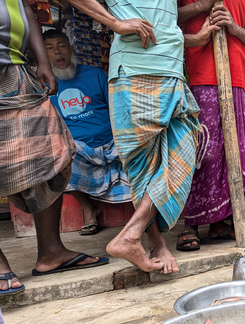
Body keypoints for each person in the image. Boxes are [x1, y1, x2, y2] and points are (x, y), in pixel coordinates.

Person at [66, 0, 201, 273]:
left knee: (183, 152)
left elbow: (163, 14)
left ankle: (135, 237)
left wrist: (199, 22)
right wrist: (115, 23)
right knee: (143, 168)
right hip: (136, 69)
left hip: (170, 71)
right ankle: (150, 242)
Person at [0, 0, 108, 296]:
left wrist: (42, 60)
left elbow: (24, 8)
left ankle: (51, 251)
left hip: (17, 72)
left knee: (55, 153)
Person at [175, 0, 245, 251]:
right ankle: (190, 224)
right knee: (203, 153)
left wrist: (235, 28)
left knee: (232, 154)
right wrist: (202, 6)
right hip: (202, 80)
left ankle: (219, 221)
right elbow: (168, 19)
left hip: (236, 82)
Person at [43, 30, 131, 235]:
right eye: (50, 48)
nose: (57, 52)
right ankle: (89, 208)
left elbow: (116, 108)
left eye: (61, 45)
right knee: (60, 159)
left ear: (72, 49)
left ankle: (143, 218)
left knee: (139, 156)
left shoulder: (96, 74)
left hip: (111, 142)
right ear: (44, 56)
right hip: (78, 148)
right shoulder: (45, 85)